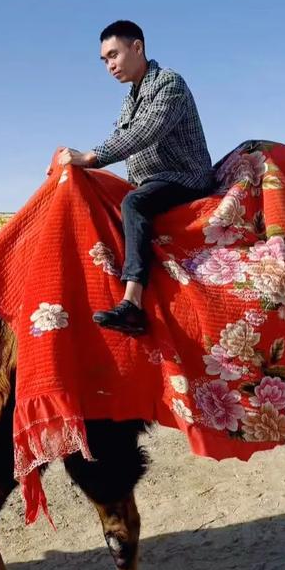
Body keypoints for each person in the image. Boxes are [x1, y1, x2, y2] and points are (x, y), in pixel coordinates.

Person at [57, 20, 213, 335]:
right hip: (152, 182)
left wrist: (90, 156)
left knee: (135, 203)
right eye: (104, 60)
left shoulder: (170, 84)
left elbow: (143, 133)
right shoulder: (129, 100)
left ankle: (132, 304)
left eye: (113, 55)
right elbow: (122, 136)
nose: (110, 65)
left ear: (137, 47)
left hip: (183, 177)